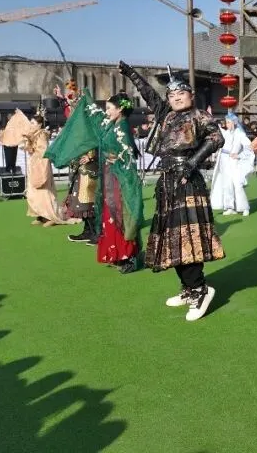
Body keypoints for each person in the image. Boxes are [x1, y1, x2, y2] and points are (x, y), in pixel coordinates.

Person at [119, 63, 225, 321]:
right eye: (172, 95)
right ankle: (189, 288)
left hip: (187, 180)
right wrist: (132, 75)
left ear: (191, 95)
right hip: (167, 181)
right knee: (172, 236)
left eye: (181, 93)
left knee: (187, 236)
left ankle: (200, 289)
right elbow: (150, 95)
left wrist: (193, 162)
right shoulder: (166, 115)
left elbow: (216, 138)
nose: (176, 97)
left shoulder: (199, 116)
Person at [87, 93, 143, 274]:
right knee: (110, 214)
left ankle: (128, 255)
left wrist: (116, 160)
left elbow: (129, 157)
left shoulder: (122, 127)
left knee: (120, 215)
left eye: (110, 108)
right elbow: (96, 118)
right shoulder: (113, 124)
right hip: (110, 176)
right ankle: (117, 253)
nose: (107, 112)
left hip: (119, 178)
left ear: (120, 109)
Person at [210, 113, 255, 216]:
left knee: (237, 184)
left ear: (234, 123)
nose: (227, 124)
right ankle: (229, 207)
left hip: (234, 162)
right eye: (226, 122)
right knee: (227, 184)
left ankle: (244, 207)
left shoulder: (240, 134)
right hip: (224, 160)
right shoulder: (226, 133)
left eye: (229, 122)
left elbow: (249, 147)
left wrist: (239, 155)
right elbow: (219, 131)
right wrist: (212, 119)